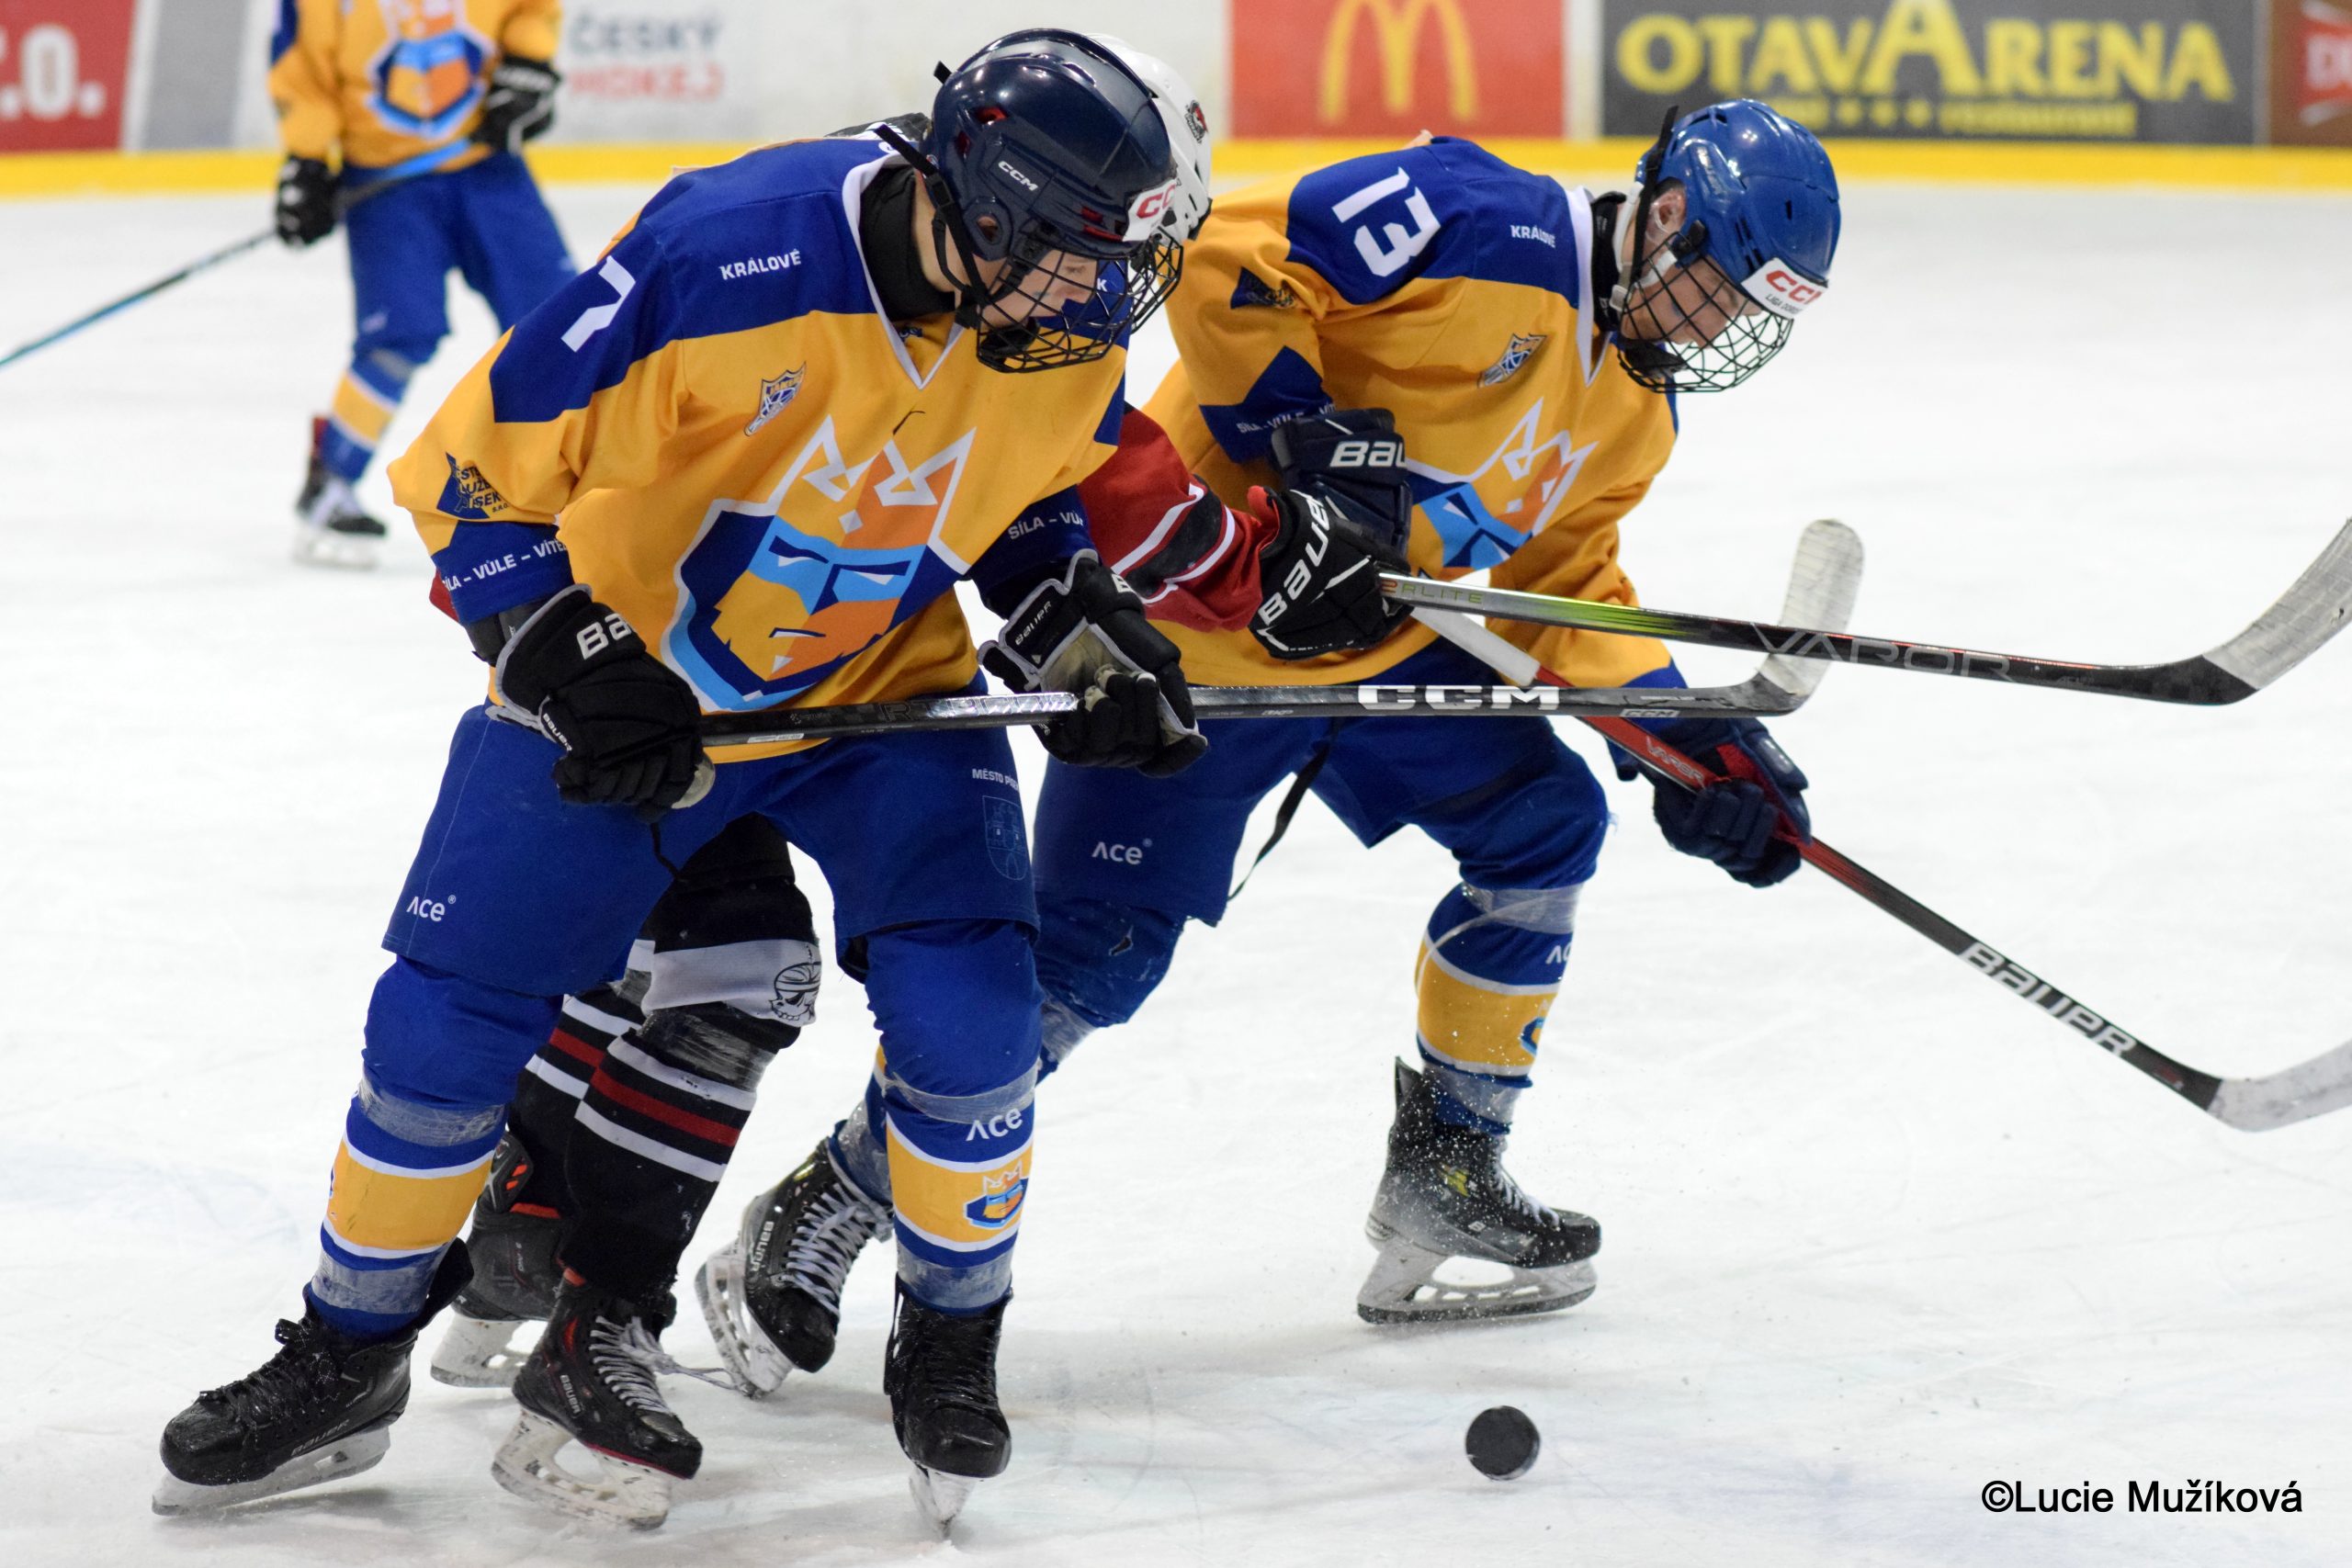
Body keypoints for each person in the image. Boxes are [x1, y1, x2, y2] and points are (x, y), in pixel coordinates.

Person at [154, 30, 1200, 1529]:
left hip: (881, 695)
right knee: (443, 1017)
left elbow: (1024, 493)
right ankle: (348, 1348)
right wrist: (566, 649)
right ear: (980, 203)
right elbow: (467, 479)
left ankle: (950, 1341)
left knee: (975, 1021)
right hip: (641, 683)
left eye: (1115, 261)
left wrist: (1071, 621)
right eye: (1071, 256)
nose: (1097, 298)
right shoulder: (730, 251)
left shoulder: (1045, 308)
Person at [690, 98, 1842, 1382]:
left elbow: (1561, 586)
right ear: (1667, 218)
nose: (1718, 331)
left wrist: (1686, 733)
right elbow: (1230, 257)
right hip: (1203, 638)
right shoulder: (1484, 224)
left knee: (1545, 825)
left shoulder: (1639, 408)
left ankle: (1447, 1171)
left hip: (1380, 653)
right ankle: (834, 1195)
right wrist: (1305, 444)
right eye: (1719, 292)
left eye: (1752, 317)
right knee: (1087, 961)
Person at [268, 0, 573, 568]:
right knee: (400, 333)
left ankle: (586, 480)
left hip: (487, 165)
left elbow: (530, 10)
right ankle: (331, 480)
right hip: (387, 181)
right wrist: (306, 159)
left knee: (558, 323)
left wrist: (529, 64)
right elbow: (302, 67)